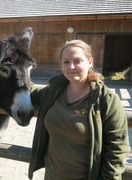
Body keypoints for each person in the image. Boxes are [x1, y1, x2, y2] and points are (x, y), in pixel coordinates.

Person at [28, 39, 129, 180]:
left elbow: (117, 147)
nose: (71, 66)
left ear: (90, 62)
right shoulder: (53, 92)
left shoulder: (105, 99)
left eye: (78, 61)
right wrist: (18, 70)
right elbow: (29, 92)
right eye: (66, 62)